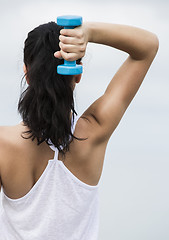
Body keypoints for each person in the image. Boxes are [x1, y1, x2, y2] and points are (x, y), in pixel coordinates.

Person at [0, 20, 159, 239]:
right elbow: (147, 46)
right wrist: (88, 33)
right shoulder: (95, 130)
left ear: (26, 74)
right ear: (78, 73)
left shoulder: (2, 145)